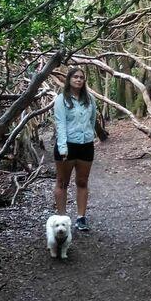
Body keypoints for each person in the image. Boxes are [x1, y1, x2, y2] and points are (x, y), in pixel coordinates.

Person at [53, 67, 96, 231]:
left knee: (82, 181)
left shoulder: (90, 99)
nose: (79, 80)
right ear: (69, 80)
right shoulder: (61, 99)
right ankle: (62, 219)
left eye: (81, 77)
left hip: (86, 145)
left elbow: (92, 120)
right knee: (62, 182)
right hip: (67, 146)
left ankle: (81, 218)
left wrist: (90, 136)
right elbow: (60, 124)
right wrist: (63, 148)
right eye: (75, 77)